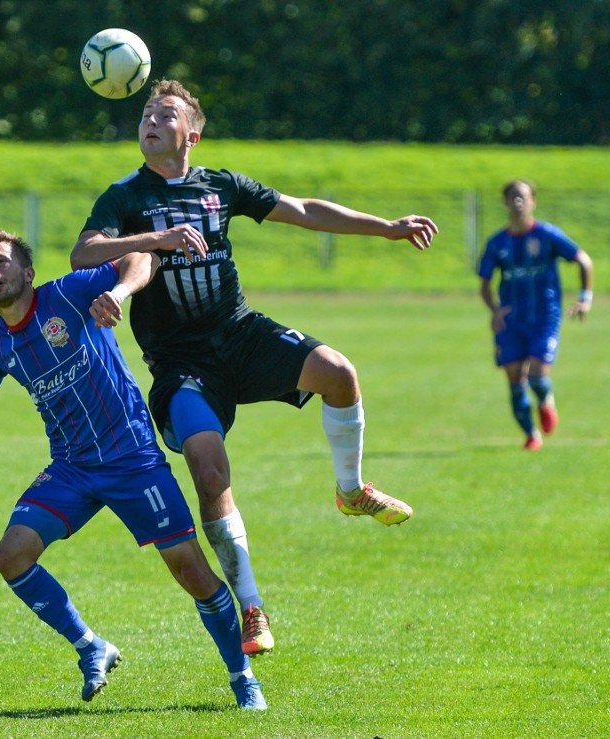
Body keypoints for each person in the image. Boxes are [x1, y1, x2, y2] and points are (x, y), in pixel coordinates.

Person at [70, 79, 439, 657]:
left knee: (338, 373)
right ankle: (251, 608)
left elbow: (304, 209)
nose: (151, 120)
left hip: (241, 333)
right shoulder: (124, 196)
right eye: (145, 112)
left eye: (165, 113)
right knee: (209, 470)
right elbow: (84, 251)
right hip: (181, 360)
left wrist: (386, 227)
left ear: (192, 133)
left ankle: (351, 490)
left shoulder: (221, 185)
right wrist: (156, 238)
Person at [0, 229, 266, 710]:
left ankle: (243, 679)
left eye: (1, 261)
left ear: (26, 272)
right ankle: (92, 646)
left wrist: (117, 293)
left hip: (132, 459)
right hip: (71, 468)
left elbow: (141, 257)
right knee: (11, 556)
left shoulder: (68, 294)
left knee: (192, 572)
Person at [478, 179, 594, 450]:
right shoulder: (497, 243)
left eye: (523, 197)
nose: (518, 202)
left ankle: (544, 399)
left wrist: (585, 299)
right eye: (513, 197)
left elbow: (584, 260)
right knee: (515, 378)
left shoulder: (548, 235)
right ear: (505, 203)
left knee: (537, 376)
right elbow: (484, 283)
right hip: (511, 320)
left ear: (533, 201)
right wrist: (495, 310)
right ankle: (531, 434)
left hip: (545, 316)